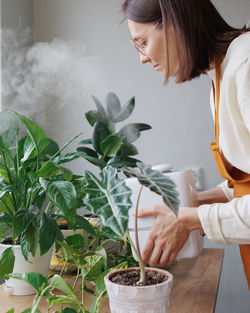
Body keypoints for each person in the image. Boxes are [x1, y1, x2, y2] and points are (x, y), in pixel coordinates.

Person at [122, 0, 250, 289]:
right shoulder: (221, 72)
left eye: (142, 42)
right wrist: (188, 206)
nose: (142, 58)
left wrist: (191, 219)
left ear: (175, 22)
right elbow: (244, 184)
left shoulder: (246, 63)